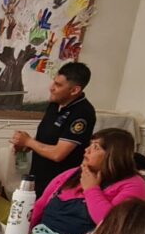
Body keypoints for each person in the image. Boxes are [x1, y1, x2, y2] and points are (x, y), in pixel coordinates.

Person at [28, 128, 145, 234]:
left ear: (112, 155)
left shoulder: (134, 185)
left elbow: (110, 225)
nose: (87, 150)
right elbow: (40, 205)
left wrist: (91, 189)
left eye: (95, 147)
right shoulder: (71, 174)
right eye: (90, 145)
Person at [10, 62, 97, 196]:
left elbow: (58, 154)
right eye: (54, 82)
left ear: (75, 90)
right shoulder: (55, 104)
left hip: (60, 185)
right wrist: (25, 146)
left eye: (58, 85)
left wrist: (28, 142)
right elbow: (47, 139)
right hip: (38, 178)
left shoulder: (82, 113)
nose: (51, 88)